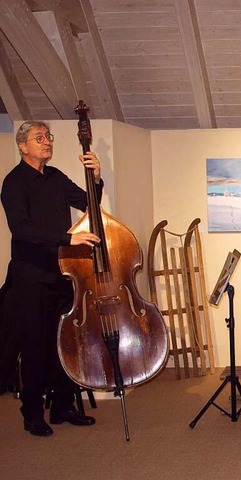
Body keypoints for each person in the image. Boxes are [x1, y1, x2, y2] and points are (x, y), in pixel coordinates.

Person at [0, 121, 103, 436]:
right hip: (30, 275)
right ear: (23, 146)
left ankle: (62, 407)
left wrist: (96, 178)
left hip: (62, 272)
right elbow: (22, 230)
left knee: (65, 343)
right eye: (39, 138)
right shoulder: (14, 183)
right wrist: (67, 239)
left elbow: (89, 204)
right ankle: (32, 413)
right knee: (34, 345)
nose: (46, 142)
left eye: (48, 137)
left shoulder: (56, 177)